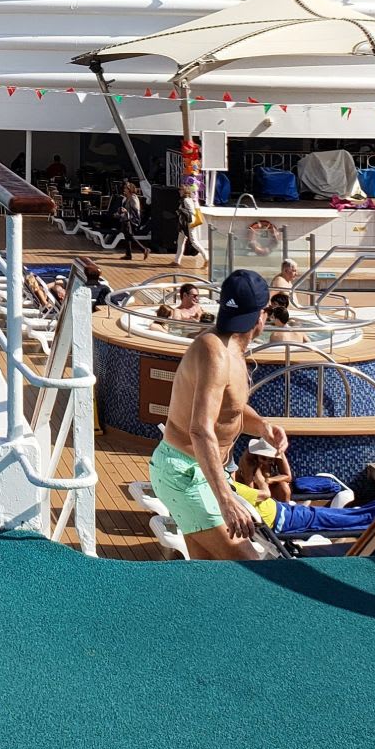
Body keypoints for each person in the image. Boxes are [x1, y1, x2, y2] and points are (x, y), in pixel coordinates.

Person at [148, 269, 287, 561]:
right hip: (185, 473)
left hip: (199, 471)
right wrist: (226, 499)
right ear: (262, 315)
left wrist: (262, 426)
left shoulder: (229, 348)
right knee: (251, 568)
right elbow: (200, 429)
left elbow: (229, 408)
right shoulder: (215, 351)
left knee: (207, 574)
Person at [236, 434, 292, 504]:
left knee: (284, 487)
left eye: (270, 459)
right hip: (247, 485)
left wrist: (270, 480)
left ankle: (285, 508)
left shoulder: (278, 454)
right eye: (263, 458)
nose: (266, 462)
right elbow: (250, 490)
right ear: (257, 454)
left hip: (266, 485)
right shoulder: (249, 460)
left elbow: (288, 476)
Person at [111, 179, 146, 262]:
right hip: (126, 219)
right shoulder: (127, 198)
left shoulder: (133, 198)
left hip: (131, 220)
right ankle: (128, 254)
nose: (124, 190)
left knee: (129, 236)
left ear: (130, 189)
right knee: (127, 236)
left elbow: (136, 211)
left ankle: (144, 249)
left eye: (126, 188)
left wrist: (126, 212)